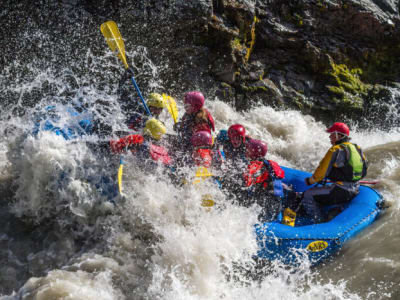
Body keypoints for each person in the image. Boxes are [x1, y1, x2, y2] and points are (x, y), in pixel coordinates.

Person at [302, 122, 368, 223]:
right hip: (355, 189)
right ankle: (337, 209)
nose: (330, 136)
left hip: (340, 191)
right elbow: (364, 169)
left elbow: (320, 174)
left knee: (308, 195)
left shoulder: (335, 150)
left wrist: (309, 181)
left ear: (339, 136)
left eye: (332, 134)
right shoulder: (357, 148)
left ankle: (319, 222)